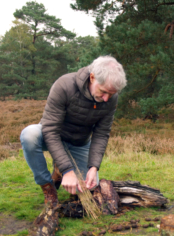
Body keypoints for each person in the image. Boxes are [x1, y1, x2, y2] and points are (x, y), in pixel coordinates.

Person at [20, 56, 127, 205]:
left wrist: (93, 167)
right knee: (29, 135)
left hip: (79, 143)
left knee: (88, 188)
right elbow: (50, 131)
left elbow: (101, 134)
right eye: (103, 92)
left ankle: (58, 171)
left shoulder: (110, 98)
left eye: (111, 94)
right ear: (92, 77)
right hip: (52, 136)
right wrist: (67, 170)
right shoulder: (64, 85)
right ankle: (48, 186)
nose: (106, 98)